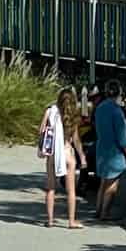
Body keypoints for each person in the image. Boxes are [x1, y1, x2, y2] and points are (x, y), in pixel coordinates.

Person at [39, 88, 84, 229]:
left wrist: (41, 147)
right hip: (67, 153)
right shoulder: (73, 116)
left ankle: (50, 220)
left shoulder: (50, 112)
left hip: (53, 153)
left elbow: (41, 131)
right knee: (71, 191)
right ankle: (71, 221)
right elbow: (76, 139)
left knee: (51, 188)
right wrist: (82, 157)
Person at [93, 79, 126, 220]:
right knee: (113, 183)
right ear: (119, 93)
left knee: (103, 181)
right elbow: (122, 135)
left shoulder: (100, 108)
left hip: (102, 148)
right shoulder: (117, 111)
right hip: (114, 152)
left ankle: (98, 209)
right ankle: (105, 212)